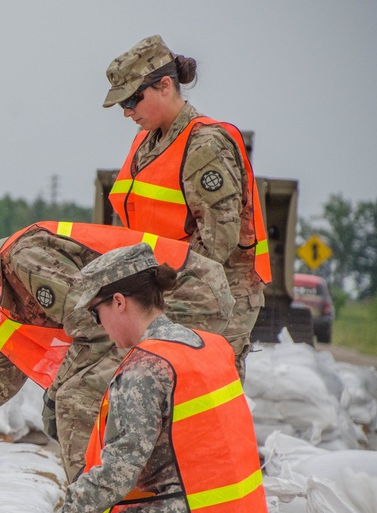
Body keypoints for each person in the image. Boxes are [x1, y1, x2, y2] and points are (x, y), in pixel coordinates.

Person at [3, 243, 286, 513]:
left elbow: (120, 470)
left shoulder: (146, 367)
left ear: (119, 302)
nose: (97, 324)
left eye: (96, 311)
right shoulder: (209, 345)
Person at [0, 203, 235, 482]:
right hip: (157, 310)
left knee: (73, 400)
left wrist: (59, 392)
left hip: (189, 297)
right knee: (70, 401)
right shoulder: (11, 296)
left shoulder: (26, 259)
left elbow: (98, 327)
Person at [102, 35, 271, 381]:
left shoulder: (205, 144)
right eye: (122, 104)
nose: (127, 112)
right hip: (169, 288)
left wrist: (155, 287)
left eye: (134, 99)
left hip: (214, 294)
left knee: (204, 393)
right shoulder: (147, 142)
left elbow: (217, 242)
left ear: (165, 85)